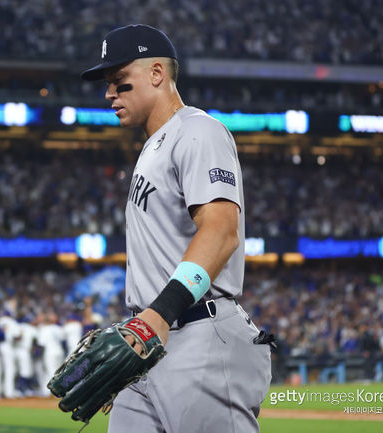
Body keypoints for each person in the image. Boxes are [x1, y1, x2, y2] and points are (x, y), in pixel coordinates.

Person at [80, 24, 272, 432]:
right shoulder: (154, 146)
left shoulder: (197, 131)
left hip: (198, 337)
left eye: (120, 82)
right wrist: (145, 324)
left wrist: (158, 316)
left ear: (156, 73)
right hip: (149, 341)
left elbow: (221, 232)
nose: (109, 93)